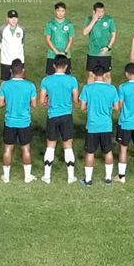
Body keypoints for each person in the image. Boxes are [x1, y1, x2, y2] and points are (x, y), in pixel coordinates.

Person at [40, 54, 79, 184]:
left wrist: (47, 100)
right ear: (66, 66)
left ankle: (47, 176)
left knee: (50, 146)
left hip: (52, 116)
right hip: (66, 116)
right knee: (68, 146)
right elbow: (75, 99)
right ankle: (70, 177)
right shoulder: (72, 80)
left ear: (54, 66)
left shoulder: (46, 80)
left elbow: (42, 101)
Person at [78, 65, 120, 186]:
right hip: (106, 125)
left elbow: (82, 107)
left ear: (93, 75)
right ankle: (108, 179)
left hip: (92, 125)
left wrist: (91, 107)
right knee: (108, 152)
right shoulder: (111, 89)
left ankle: (88, 180)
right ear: (105, 75)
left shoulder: (87, 88)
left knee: (90, 152)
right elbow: (117, 107)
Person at [0, 60, 37, 183]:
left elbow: (0, 104)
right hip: (24, 122)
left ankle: (6, 177)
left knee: (8, 149)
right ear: (23, 71)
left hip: (10, 122)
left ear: (11, 71)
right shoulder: (30, 85)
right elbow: (34, 104)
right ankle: (27, 176)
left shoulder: (4, 85)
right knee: (25, 149)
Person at [82, 2, 116, 83]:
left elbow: (113, 35)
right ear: (94, 12)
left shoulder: (109, 20)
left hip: (105, 53)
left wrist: (108, 48)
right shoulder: (89, 19)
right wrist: (93, 20)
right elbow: (84, 33)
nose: (100, 14)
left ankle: (107, 94)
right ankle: (91, 94)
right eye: (98, 12)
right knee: (91, 75)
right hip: (92, 53)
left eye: (102, 11)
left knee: (106, 75)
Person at [44, 2, 74, 75]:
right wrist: (56, 52)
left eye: (62, 11)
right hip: (52, 55)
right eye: (58, 11)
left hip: (66, 55)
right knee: (50, 77)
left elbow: (71, 40)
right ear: (55, 11)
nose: (60, 13)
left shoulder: (69, 24)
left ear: (65, 11)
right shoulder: (50, 24)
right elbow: (47, 39)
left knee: (67, 77)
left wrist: (65, 52)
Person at [0, 10, 26, 81]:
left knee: (20, 80)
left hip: (19, 60)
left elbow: (22, 42)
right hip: (6, 60)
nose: (13, 20)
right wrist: (6, 51)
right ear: (7, 19)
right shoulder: (1, 29)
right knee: (4, 81)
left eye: (15, 18)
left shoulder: (22, 29)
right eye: (11, 18)